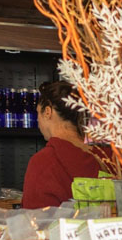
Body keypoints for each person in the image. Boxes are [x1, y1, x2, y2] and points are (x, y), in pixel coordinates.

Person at [21, 81, 110, 209]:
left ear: (47, 112)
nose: (38, 121)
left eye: (38, 113)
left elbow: (33, 220)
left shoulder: (43, 162)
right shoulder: (107, 157)